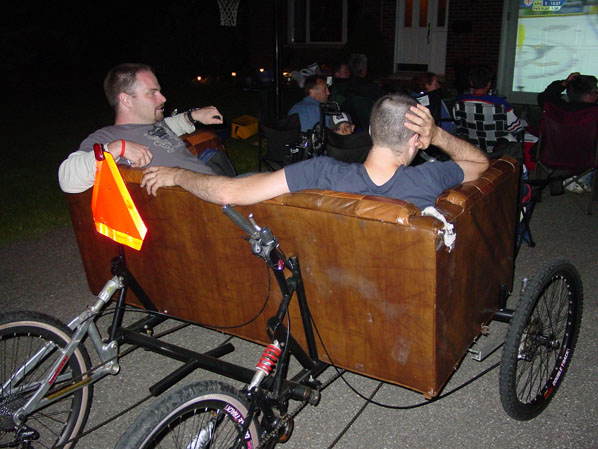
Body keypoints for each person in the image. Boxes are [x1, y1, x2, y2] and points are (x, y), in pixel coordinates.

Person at [140, 94, 489, 211]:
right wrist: (439, 134)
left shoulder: (320, 171)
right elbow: (481, 163)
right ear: (416, 140)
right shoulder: (431, 177)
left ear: (370, 130)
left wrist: (177, 174)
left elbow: (230, 192)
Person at [58, 63, 226, 194]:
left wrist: (193, 116)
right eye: (152, 93)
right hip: (210, 204)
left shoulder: (153, 126)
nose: (163, 98)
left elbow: (171, 125)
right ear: (126, 100)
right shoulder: (107, 136)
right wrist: (117, 147)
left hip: (219, 187)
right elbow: (67, 179)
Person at [537, 72, 597, 193]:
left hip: (551, 157)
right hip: (585, 161)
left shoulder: (554, 106)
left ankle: (561, 176)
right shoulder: (594, 112)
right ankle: (580, 181)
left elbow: (545, 95)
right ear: (588, 95)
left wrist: (564, 82)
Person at [455, 65, 524, 139]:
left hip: (469, 145)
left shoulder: (459, 101)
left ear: (471, 82)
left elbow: (458, 124)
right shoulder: (500, 103)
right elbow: (516, 128)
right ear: (489, 84)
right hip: (498, 147)